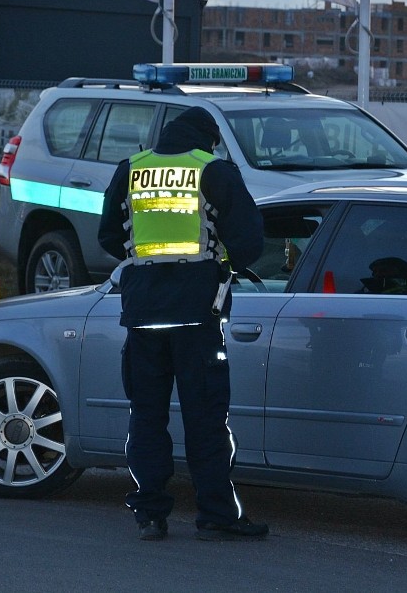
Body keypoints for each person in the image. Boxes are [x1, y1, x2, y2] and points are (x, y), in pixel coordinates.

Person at [98, 107, 268, 542]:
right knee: (206, 419)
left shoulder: (132, 169)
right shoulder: (213, 170)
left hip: (143, 318)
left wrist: (149, 264)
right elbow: (248, 242)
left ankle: (149, 515)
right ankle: (216, 514)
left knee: (147, 417)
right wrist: (217, 264)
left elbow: (108, 237)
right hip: (197, 318)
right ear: (208, 139)